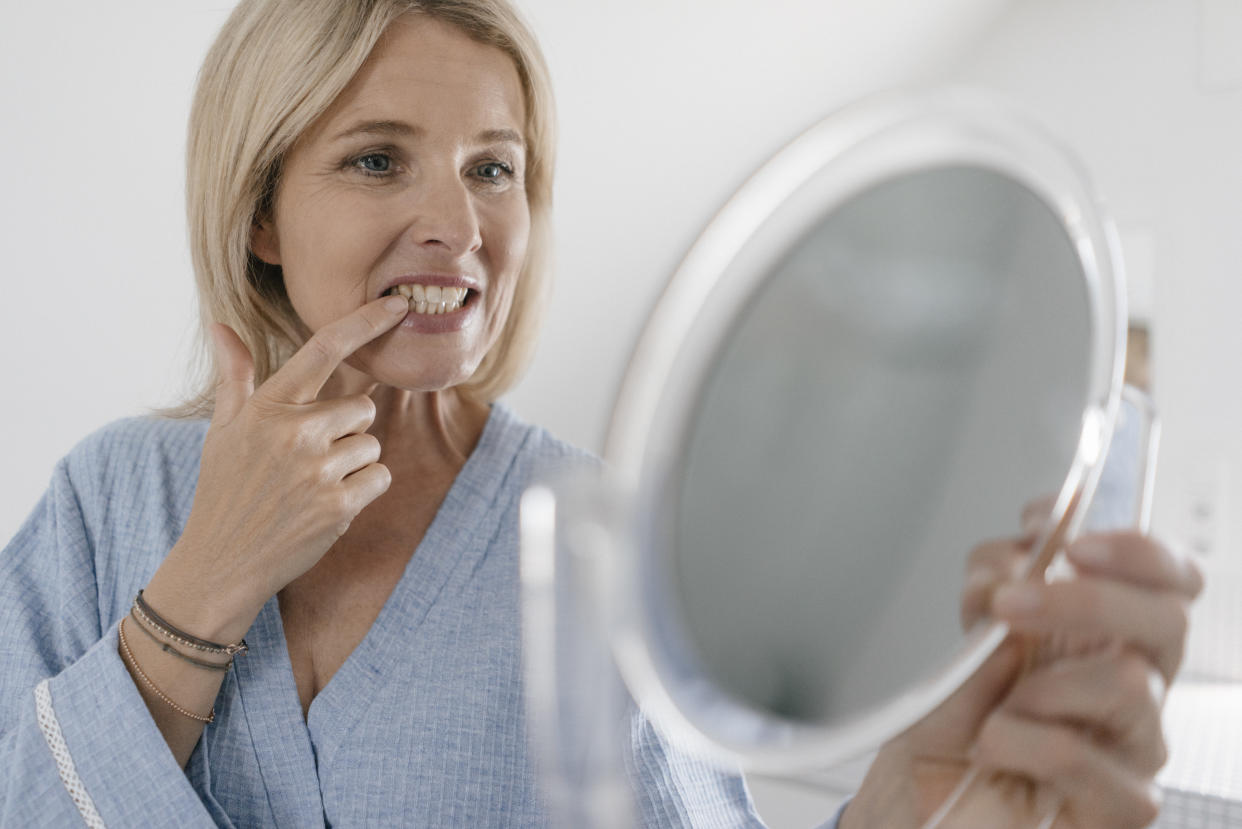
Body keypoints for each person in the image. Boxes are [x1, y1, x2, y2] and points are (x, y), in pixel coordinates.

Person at [0, 1, 1201, 827]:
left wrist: (920, 795)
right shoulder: (111, 505)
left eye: (493, 166)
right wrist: (202, 585)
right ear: (261, 214)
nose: (458, 226)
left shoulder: (598, 540)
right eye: (378, 159)